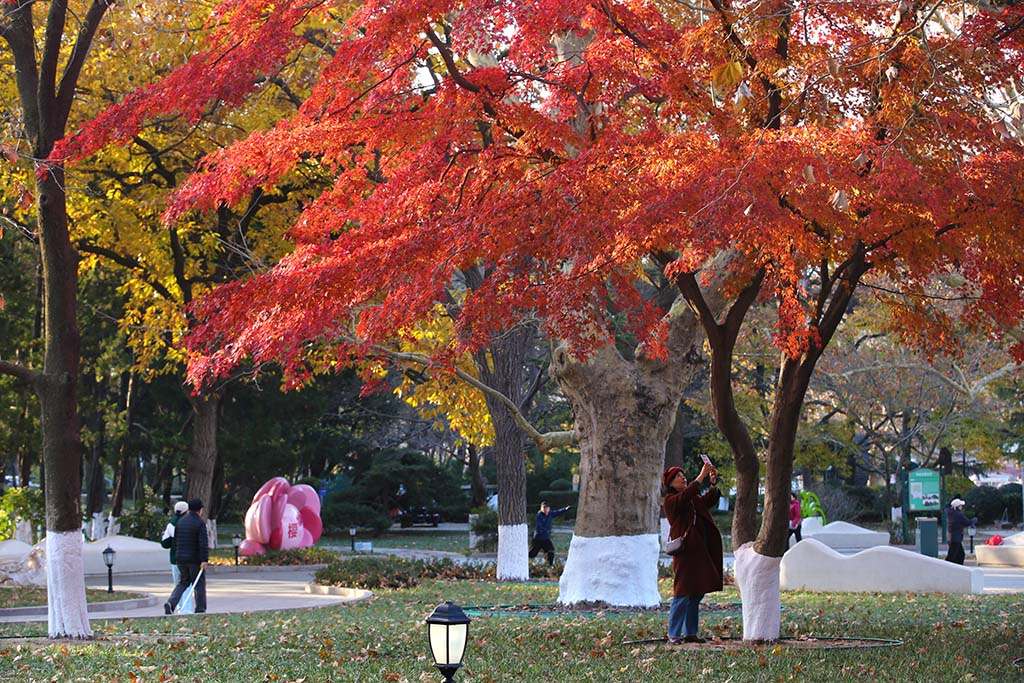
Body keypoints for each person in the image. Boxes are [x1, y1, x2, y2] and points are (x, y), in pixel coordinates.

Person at [662, 461, 723, 644]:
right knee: (682, 592)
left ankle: (690, 632)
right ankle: (674, 634)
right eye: (678, 476)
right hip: (685, 553)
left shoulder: (690, 498)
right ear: (671, 483)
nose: (682, 477)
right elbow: (689, 494)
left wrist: (712, 483)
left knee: (696, 593)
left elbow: (707, 501)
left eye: (682, 475)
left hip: (699, 550)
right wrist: (701, 476)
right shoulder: (671, 501)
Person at [165, 498, 209, 614]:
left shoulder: (181, 522)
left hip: (180, 559)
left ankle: (171, 603)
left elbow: (176, 541)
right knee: (199, 584)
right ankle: (200, 609)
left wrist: (177, 556)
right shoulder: (200, 523)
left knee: (183, 583)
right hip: (194, 560)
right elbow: (203, 543)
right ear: (200, 510)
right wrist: (204, 560)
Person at [528, 501, 571, 566]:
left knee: (551, 551)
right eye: (544, 508)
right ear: (541, 508)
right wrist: (545, 531)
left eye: (547, 508)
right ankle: (524, 562)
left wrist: (565, 509)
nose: (545, 509)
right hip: (538, 539)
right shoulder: (539, 515)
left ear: (549, 508)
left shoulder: (550, 513)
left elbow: (558, 512)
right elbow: (539, 526)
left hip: (546, 539)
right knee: (532, 554)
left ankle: (549, 566)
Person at [160, 501, 189, 584]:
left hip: (175, 558)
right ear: (186, 511)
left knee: (178, 584)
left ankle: (179, 597)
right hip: (189, 558)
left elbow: (165, 543)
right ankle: (187, 597)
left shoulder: (171, 524)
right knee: (188, 584)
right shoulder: (190, 522)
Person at [945, 498, 977, 565]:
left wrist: (954, 498)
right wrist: (974, 520)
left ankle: (957, 568)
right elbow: (967, 522)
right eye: (960, 505)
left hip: (951, 537)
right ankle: (949, 568)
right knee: (952, 556)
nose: (961, 507)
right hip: (956, 538)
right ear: (957, 506)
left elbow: (947, 505)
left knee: (960, 555)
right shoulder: (959, 515)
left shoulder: (949, 512)